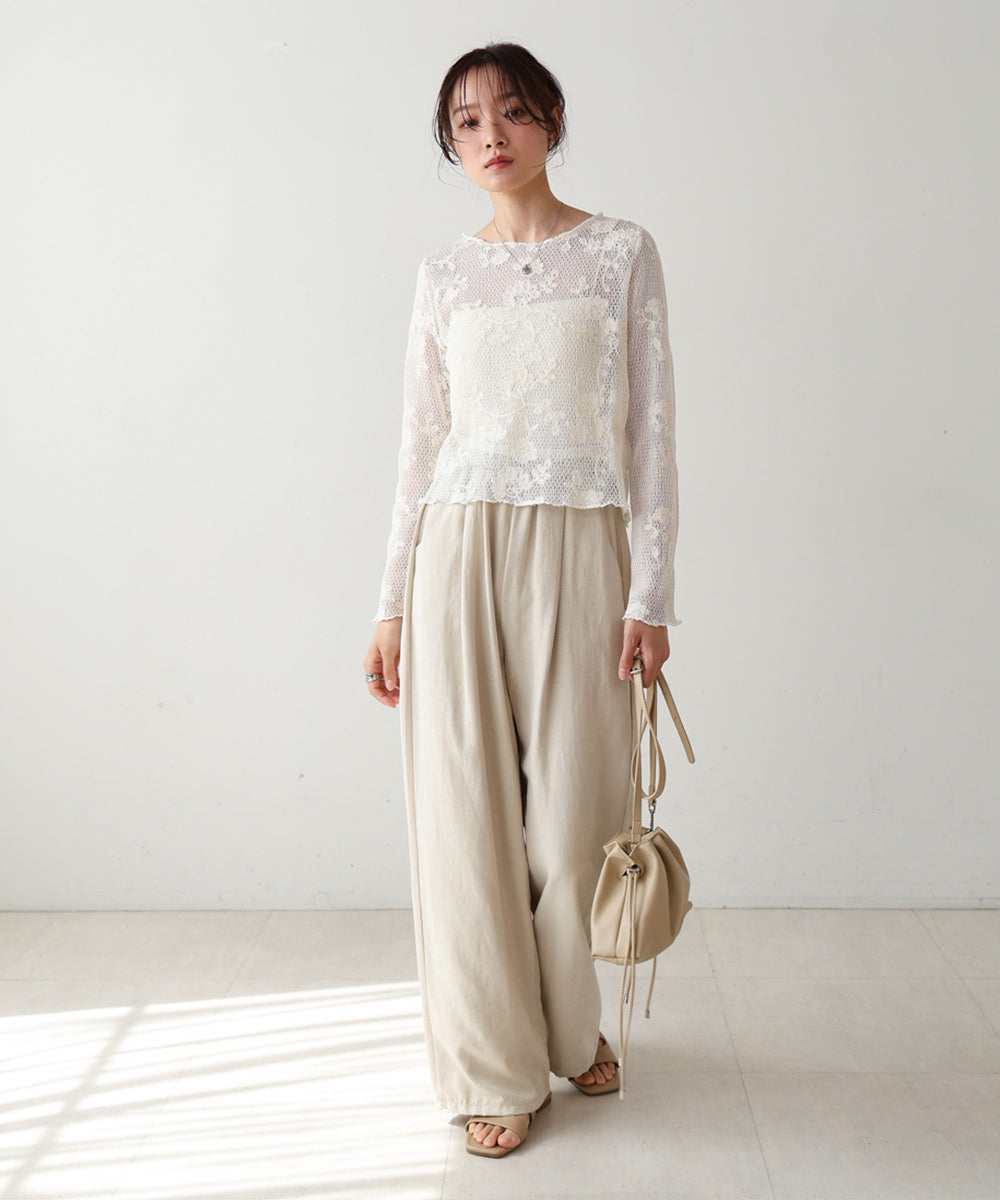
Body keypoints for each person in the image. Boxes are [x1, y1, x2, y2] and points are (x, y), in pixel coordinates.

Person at [362, 41, 680, 1157]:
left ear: (550, 117)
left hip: (582, 544)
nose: (488, 135)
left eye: (509, 111)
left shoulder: (622, 253)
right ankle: (494, 1067)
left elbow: (652, 436)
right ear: (451, 146)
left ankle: (569, 1025)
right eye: (464, 122)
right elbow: (419, 445)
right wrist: (390, 603)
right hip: (455, 548)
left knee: (577, 819)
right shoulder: (444, 277)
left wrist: (652, 594)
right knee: (462, 819)